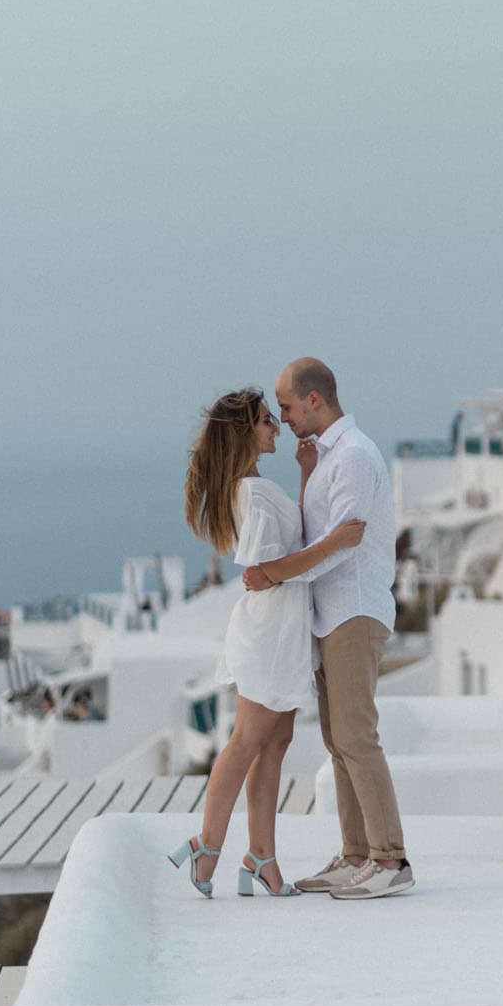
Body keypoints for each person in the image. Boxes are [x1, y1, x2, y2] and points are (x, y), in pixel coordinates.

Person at [165, 388, 366, 898]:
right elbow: (262, 572)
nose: (277, 428)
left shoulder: (256, 485)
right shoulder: (250, 492)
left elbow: (285, 548)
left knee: (274, 744)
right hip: (267, 634)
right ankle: (206, 845)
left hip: (283, 633)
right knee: (247, 743)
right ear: (245, 432)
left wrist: (304, 474)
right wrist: (336, 542)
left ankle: (261, 857)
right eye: (265, 422)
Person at [245, 357, 412, 899]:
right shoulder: (329, 457)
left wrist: (273, 575)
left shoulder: (357, 455)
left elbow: (343, 543)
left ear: (314, 399)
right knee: (338, 740)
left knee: (356, 736)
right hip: (330, 613)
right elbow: (314, 532)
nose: (283, 416)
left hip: (354, 610)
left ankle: (390, 859)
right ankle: (357, 854)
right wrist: (304, 474)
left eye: (288, 405)